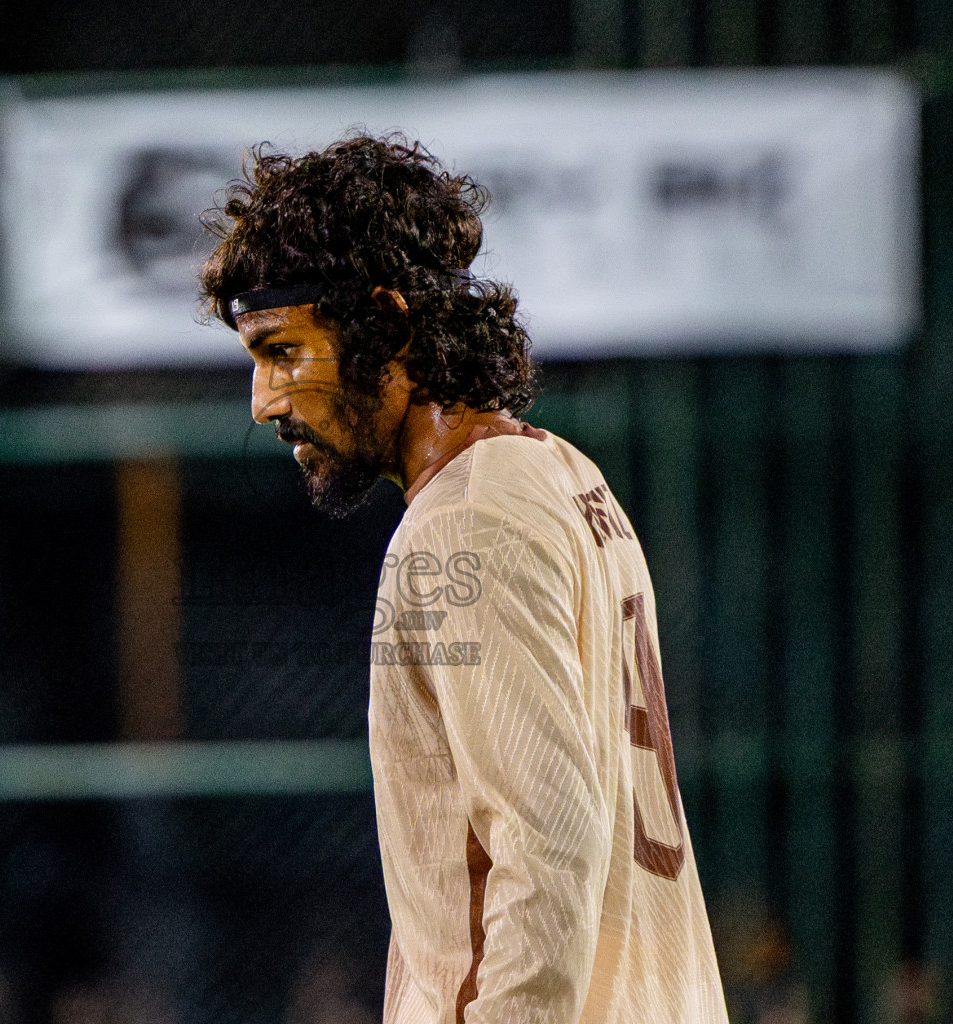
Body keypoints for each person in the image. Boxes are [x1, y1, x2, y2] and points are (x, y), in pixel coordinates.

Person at [201, 134, 728, 1024]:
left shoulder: (464, 526)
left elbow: (545, 843)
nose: (265, 401)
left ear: (389, 326)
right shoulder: (562, 474)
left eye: (283, 349)